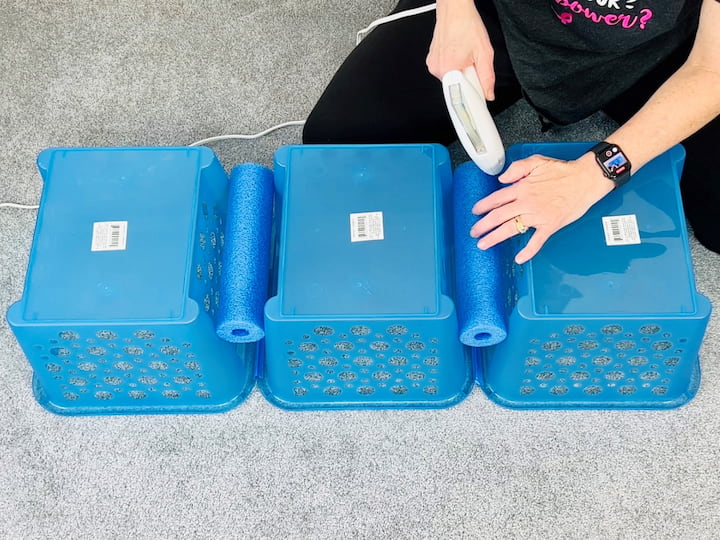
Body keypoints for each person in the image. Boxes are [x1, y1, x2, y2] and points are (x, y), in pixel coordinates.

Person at [302, 0, 720, 263]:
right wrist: (455, 11)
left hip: (655, 51)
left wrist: (598, 171)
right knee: (338, 142)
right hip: (501, 19)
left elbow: (711, 69)